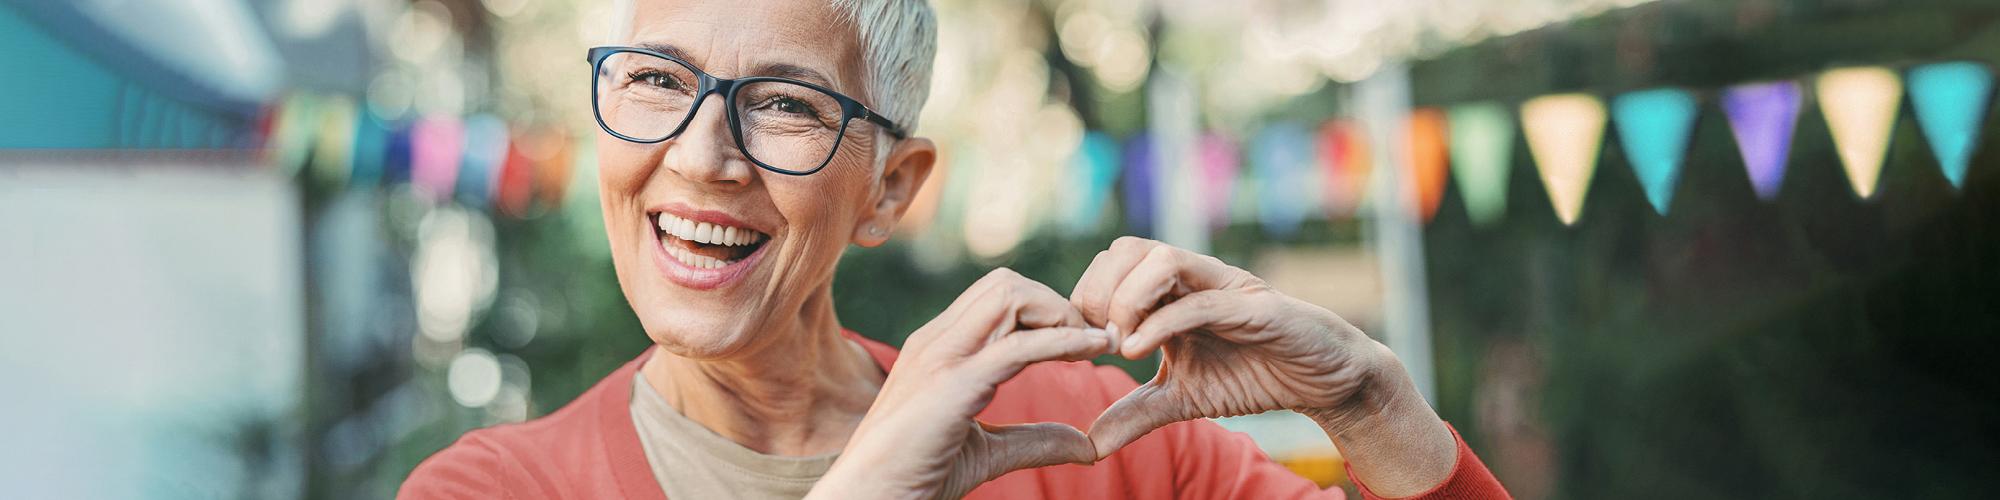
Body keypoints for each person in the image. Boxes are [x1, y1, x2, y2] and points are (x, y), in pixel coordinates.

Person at [400, 0, 1511, 498]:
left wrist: (1372, 404)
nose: (701, 157)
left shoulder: (1094, 444)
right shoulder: (496, 488)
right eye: (655, 81)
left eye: (782, 104)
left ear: (889, 186)